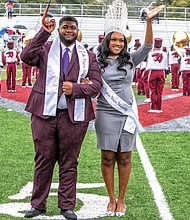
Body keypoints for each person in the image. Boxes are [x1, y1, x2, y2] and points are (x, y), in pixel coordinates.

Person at [20, 14, 102, 219]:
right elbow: (26, 56)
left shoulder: (88, 56)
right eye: (65, 27)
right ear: (59, 30)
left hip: (74, 116)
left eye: (72, 27)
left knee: (69, 161)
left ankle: (67, 206)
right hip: (44, 114)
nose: (69, 30)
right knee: (43, 159)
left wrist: (74, 88)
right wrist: (44, 32)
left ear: (77, 30)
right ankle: (38, 204)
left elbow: (96, 85)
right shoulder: (45, 49)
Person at [95, 0, 165, 217]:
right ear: (107, 41)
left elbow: (147, 46)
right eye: (114, 40)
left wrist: (149, 22)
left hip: (126, 114)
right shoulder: (96, 61)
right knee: (107, 157)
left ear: (125, 43)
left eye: (121, 40)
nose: (117, 43)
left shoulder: (131, 60)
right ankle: (111, 199)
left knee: (124, 157)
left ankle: (122, 200)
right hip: (106, 113)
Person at [146, 37, 168, 113]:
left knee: (153, 90)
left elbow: (147, 62)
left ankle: (153, 107)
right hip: (161, 72)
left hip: (153, 72)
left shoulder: (150, 53)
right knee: (160, 91)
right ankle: (159, 108)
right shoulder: (165, 54)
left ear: (154, 45)